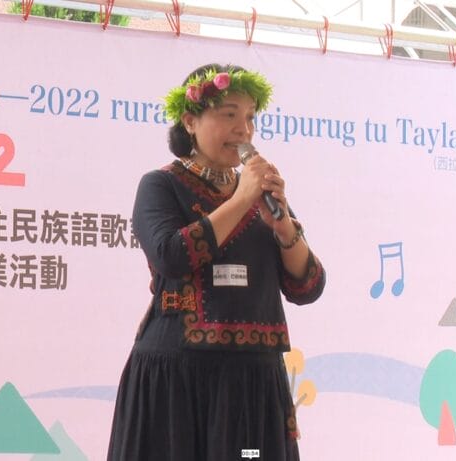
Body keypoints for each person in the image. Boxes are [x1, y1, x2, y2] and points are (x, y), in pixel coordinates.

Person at [107, 63, 326, 461]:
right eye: (229, 115)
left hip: (253, 382)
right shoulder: (160, 185)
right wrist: (241, 199)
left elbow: (307, 286)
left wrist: (283, 228)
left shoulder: (261, 195)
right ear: (190, 121)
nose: (243, 130)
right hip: (177, 378)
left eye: (250, 118)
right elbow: (172, 255)